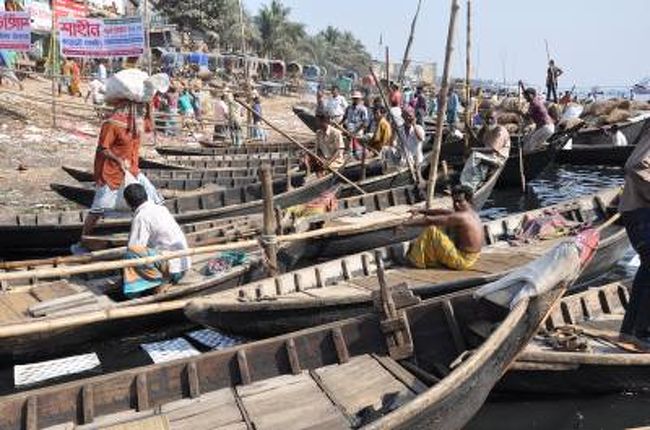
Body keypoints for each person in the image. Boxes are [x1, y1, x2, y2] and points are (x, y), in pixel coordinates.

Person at [80, 91, 163, 240]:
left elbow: (150, 126)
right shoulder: (111, 123)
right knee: (98, 209)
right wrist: (118, 160)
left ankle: (148, 236)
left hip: (133, 171)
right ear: (130, 107)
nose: (141, 110)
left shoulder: (136, 123)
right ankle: (83, 239)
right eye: (139, 107)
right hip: (111, 174)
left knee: (154, 200)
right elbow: (102, 148)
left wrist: (150, 106)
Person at [122, 183, 191, 298]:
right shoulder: (161, 208)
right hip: (183, 266)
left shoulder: (141, 216)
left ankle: (154, 283)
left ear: (128, 203)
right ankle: (160, 278)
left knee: (131, 254)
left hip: (172, 270)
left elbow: (134, 247)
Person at [618, 132, 650, 348]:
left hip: (639, 212)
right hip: (641, 213)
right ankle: (643, 333)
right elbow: (636, 165)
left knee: (647, 268)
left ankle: (629, 331)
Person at [405, 185, 483, 270]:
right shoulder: (472, 213)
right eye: (454, 201)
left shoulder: (462, 217)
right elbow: (443, 211)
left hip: (462, 261)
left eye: (459, 201)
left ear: (469, 201)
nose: (456, 204)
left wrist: (405, 224)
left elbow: (429, 220)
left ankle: (416, 261)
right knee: (443, 227)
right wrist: (420, 211)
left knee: (432, 230)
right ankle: (429, 258)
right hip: (472, 258)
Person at [460, 110, 511, 191]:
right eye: (487, 118)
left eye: (491, 118)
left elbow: (493, 149)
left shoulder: (500, 130)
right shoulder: (486, 130)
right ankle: (469, 183)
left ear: (496, 119)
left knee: (475, 156)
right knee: (474, 158)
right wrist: (470, 130)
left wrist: (473, 149)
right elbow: (480, 144)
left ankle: (469, 185)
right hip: (489, 156)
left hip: (499, 158)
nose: (489, 121)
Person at [519, 82, 555, 153]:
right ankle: (537, 150)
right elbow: (527, 92)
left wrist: (519, 112)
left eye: (527, 95)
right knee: (527, 138)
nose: (525, 97)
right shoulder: (535, 100)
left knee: (530, 144)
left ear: (532, 95)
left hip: (546, 128)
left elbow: (527, 117)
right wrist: (522, 85)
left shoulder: (535, 104)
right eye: (525, 95)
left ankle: (528, 157)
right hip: (545, 128)